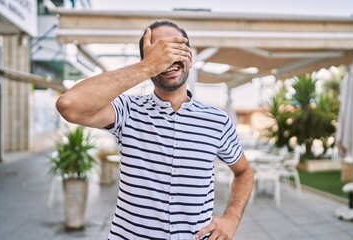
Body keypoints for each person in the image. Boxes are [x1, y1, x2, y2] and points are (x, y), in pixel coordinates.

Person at [56, 19, 254, 240]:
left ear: (190, 56)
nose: (168, 57)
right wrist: (147, 66)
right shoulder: (128, 110)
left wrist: (232, 218)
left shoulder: (217, 121)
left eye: (175, 48)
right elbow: (69, 105)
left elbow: (244, 172)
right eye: (159, 51)